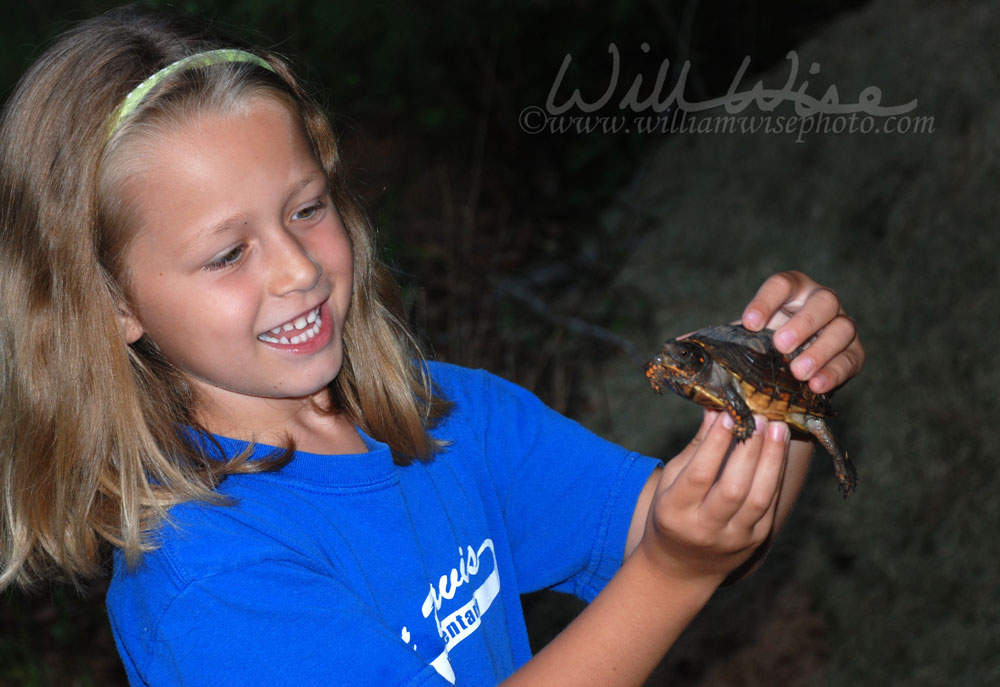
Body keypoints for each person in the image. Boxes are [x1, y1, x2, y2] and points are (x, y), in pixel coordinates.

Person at [0, 6, 864, 686]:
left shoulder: (447, 418)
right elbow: (668, 567)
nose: (299, 268)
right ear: (110, 303)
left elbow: (685, 529)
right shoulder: (208, 575)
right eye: (229, 253)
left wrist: (780, 399)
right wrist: (671, 575)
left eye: (306, 208)